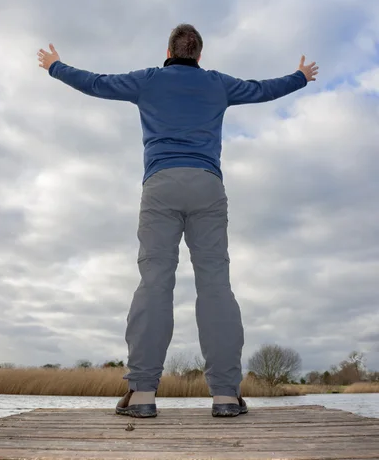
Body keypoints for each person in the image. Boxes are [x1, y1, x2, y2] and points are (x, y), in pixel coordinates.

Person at [37, 24, 319, 418]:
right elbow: (262, 89)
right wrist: (300, 77)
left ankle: (141, 396)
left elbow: (96, 83)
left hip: (161, 186)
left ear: (168, 50)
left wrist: (55, 66)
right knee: (216, 285)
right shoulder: (218, 84)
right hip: (207, 186)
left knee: (155, 282)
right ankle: (224, 396)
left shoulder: (148, 80)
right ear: (199, 56)